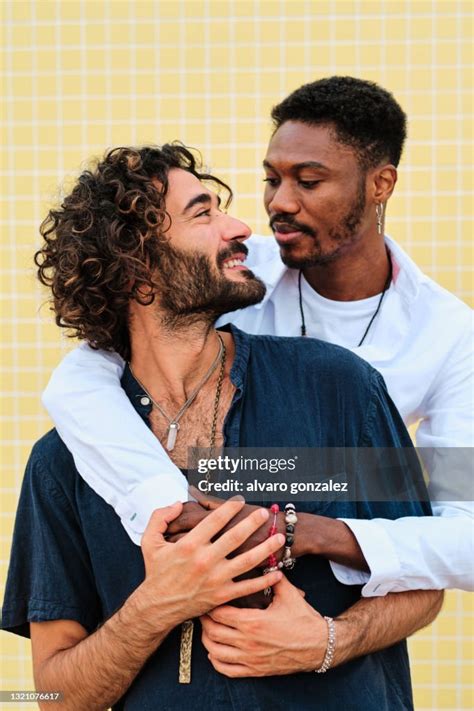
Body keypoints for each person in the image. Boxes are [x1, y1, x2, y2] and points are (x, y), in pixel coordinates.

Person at [2, 144, 442, 710]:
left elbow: (426, 579)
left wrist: (326, 643)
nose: (238, 227)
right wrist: (158, 604)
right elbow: (56, 697)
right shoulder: (61, 464)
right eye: (203, 213)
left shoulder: (338, 387)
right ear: (137, 267)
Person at [41, 76, 473, 595]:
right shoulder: (234, 274)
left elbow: (464, 533)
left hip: (332, 588)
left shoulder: (449, 335)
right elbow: (82, 377)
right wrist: (164, 501)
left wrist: (306, 529)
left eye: (308, 182)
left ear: (379, 184)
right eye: (272, 179)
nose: (279, 203)